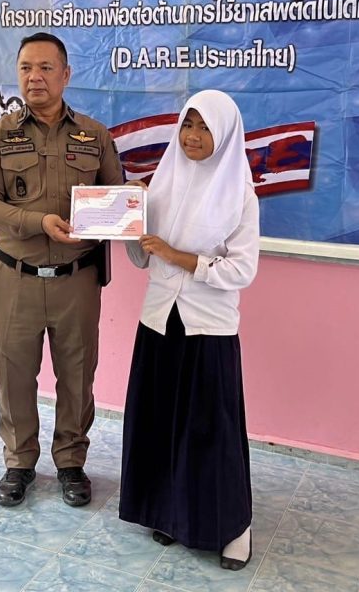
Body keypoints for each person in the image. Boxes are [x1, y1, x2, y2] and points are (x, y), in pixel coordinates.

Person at [0, 32, 123, 508]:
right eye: (25, 68)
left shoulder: (95, 136)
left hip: (78, 280)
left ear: (66, 74)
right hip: (16, 277)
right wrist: (39, 222)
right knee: (13, 374)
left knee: (77, 375)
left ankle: (71, 462)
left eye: (45, 67)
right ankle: (19, 462)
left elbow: (117, 199)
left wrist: (127, 208)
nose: (34, 77)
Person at [119, 89, 259, 571]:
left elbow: (242, 270)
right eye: (187, 125)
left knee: (211, 430)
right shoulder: (162, 183)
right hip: (159, 319)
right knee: (160, 423)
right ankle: (169, 513)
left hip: (208, 327)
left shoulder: (240, 194)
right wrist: (130, 222)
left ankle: (234, 528)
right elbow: (143, 257)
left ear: (225, 134)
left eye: (204, 128)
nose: (193, 137)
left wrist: (178, 256)